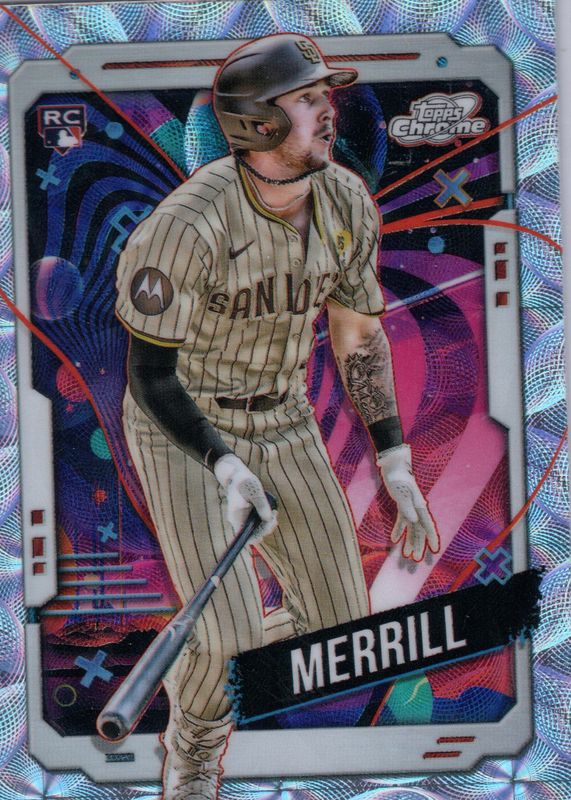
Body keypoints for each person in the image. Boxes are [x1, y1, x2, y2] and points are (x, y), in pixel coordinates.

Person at [115, 32, 439, 800]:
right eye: (306, 99)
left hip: (282, 417)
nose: (327, 112)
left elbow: (357, 336)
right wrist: (224, 466)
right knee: (227, 633)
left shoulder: (344, 202)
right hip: (183, 426)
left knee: (337, 631)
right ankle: (193, 751)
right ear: (257, 123)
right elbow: (150, 376)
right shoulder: (186, 227)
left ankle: (202, 661)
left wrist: (394, 462)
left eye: (324, 96)